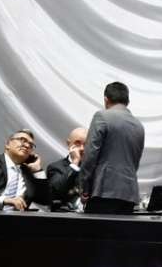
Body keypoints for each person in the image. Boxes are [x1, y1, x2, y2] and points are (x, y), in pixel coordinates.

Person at [80, 81, 145, 214]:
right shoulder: (139, 125)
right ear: (127, 101)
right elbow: (135, 162)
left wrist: (85, 189)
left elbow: (90, 155)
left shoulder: (102, 116)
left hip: (103, 191)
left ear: (106, 99)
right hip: (129, 195)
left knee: (96, 234)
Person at [46, 127, 88, 210]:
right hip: (65, 218)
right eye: (77, 143)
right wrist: (75, 162)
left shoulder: (96, 168)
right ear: (69, 144)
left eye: (86, 144)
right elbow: (56, 191)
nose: (82, 148)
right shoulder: (55, 167)